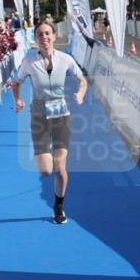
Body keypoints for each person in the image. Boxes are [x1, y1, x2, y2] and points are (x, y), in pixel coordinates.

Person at [11, 21, 88, 225]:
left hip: (61, 116)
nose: (44, 37)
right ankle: (55, 190)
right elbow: (16, 82)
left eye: (47, 33)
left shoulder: (65, 59)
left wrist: (80, 93)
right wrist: (17, 99)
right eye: (40, 35)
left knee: (60, 166)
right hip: (39, 117)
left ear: (54, 36)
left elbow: (83, 80)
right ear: (35, 39)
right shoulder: (29, 61)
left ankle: (59, 207)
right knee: (45, 170)